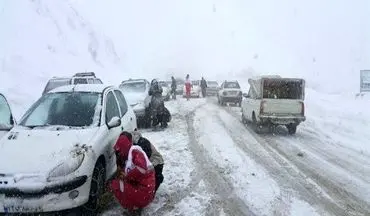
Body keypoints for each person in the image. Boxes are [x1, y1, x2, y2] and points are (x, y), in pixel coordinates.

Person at [110, 132, 156, 215]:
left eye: (120, 150)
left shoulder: (135, 152)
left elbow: (142, 169)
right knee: (120, 183)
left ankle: (133, 208)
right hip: (147, 191)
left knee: (117, 184)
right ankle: (135, 206)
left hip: (145, 191)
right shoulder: (132, 153)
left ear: (124, 148)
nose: (119, 153)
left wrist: (127, 176)